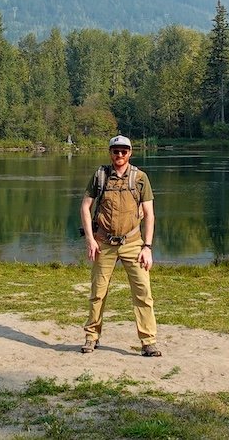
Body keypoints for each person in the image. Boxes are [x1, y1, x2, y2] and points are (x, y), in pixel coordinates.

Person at [79, 134, 161, 357]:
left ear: (130, 153)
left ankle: (148, 341)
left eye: (124, 151)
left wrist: (148, 247)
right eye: (116, 151)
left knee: (143, 292)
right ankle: (91, 337)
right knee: (98, 292)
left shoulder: (140, 178)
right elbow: (85, 207)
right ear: (110, 153)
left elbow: (150, 214)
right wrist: (90, 239)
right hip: (103, 243)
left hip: (133, 243)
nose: (120, 155)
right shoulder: (100, 176)